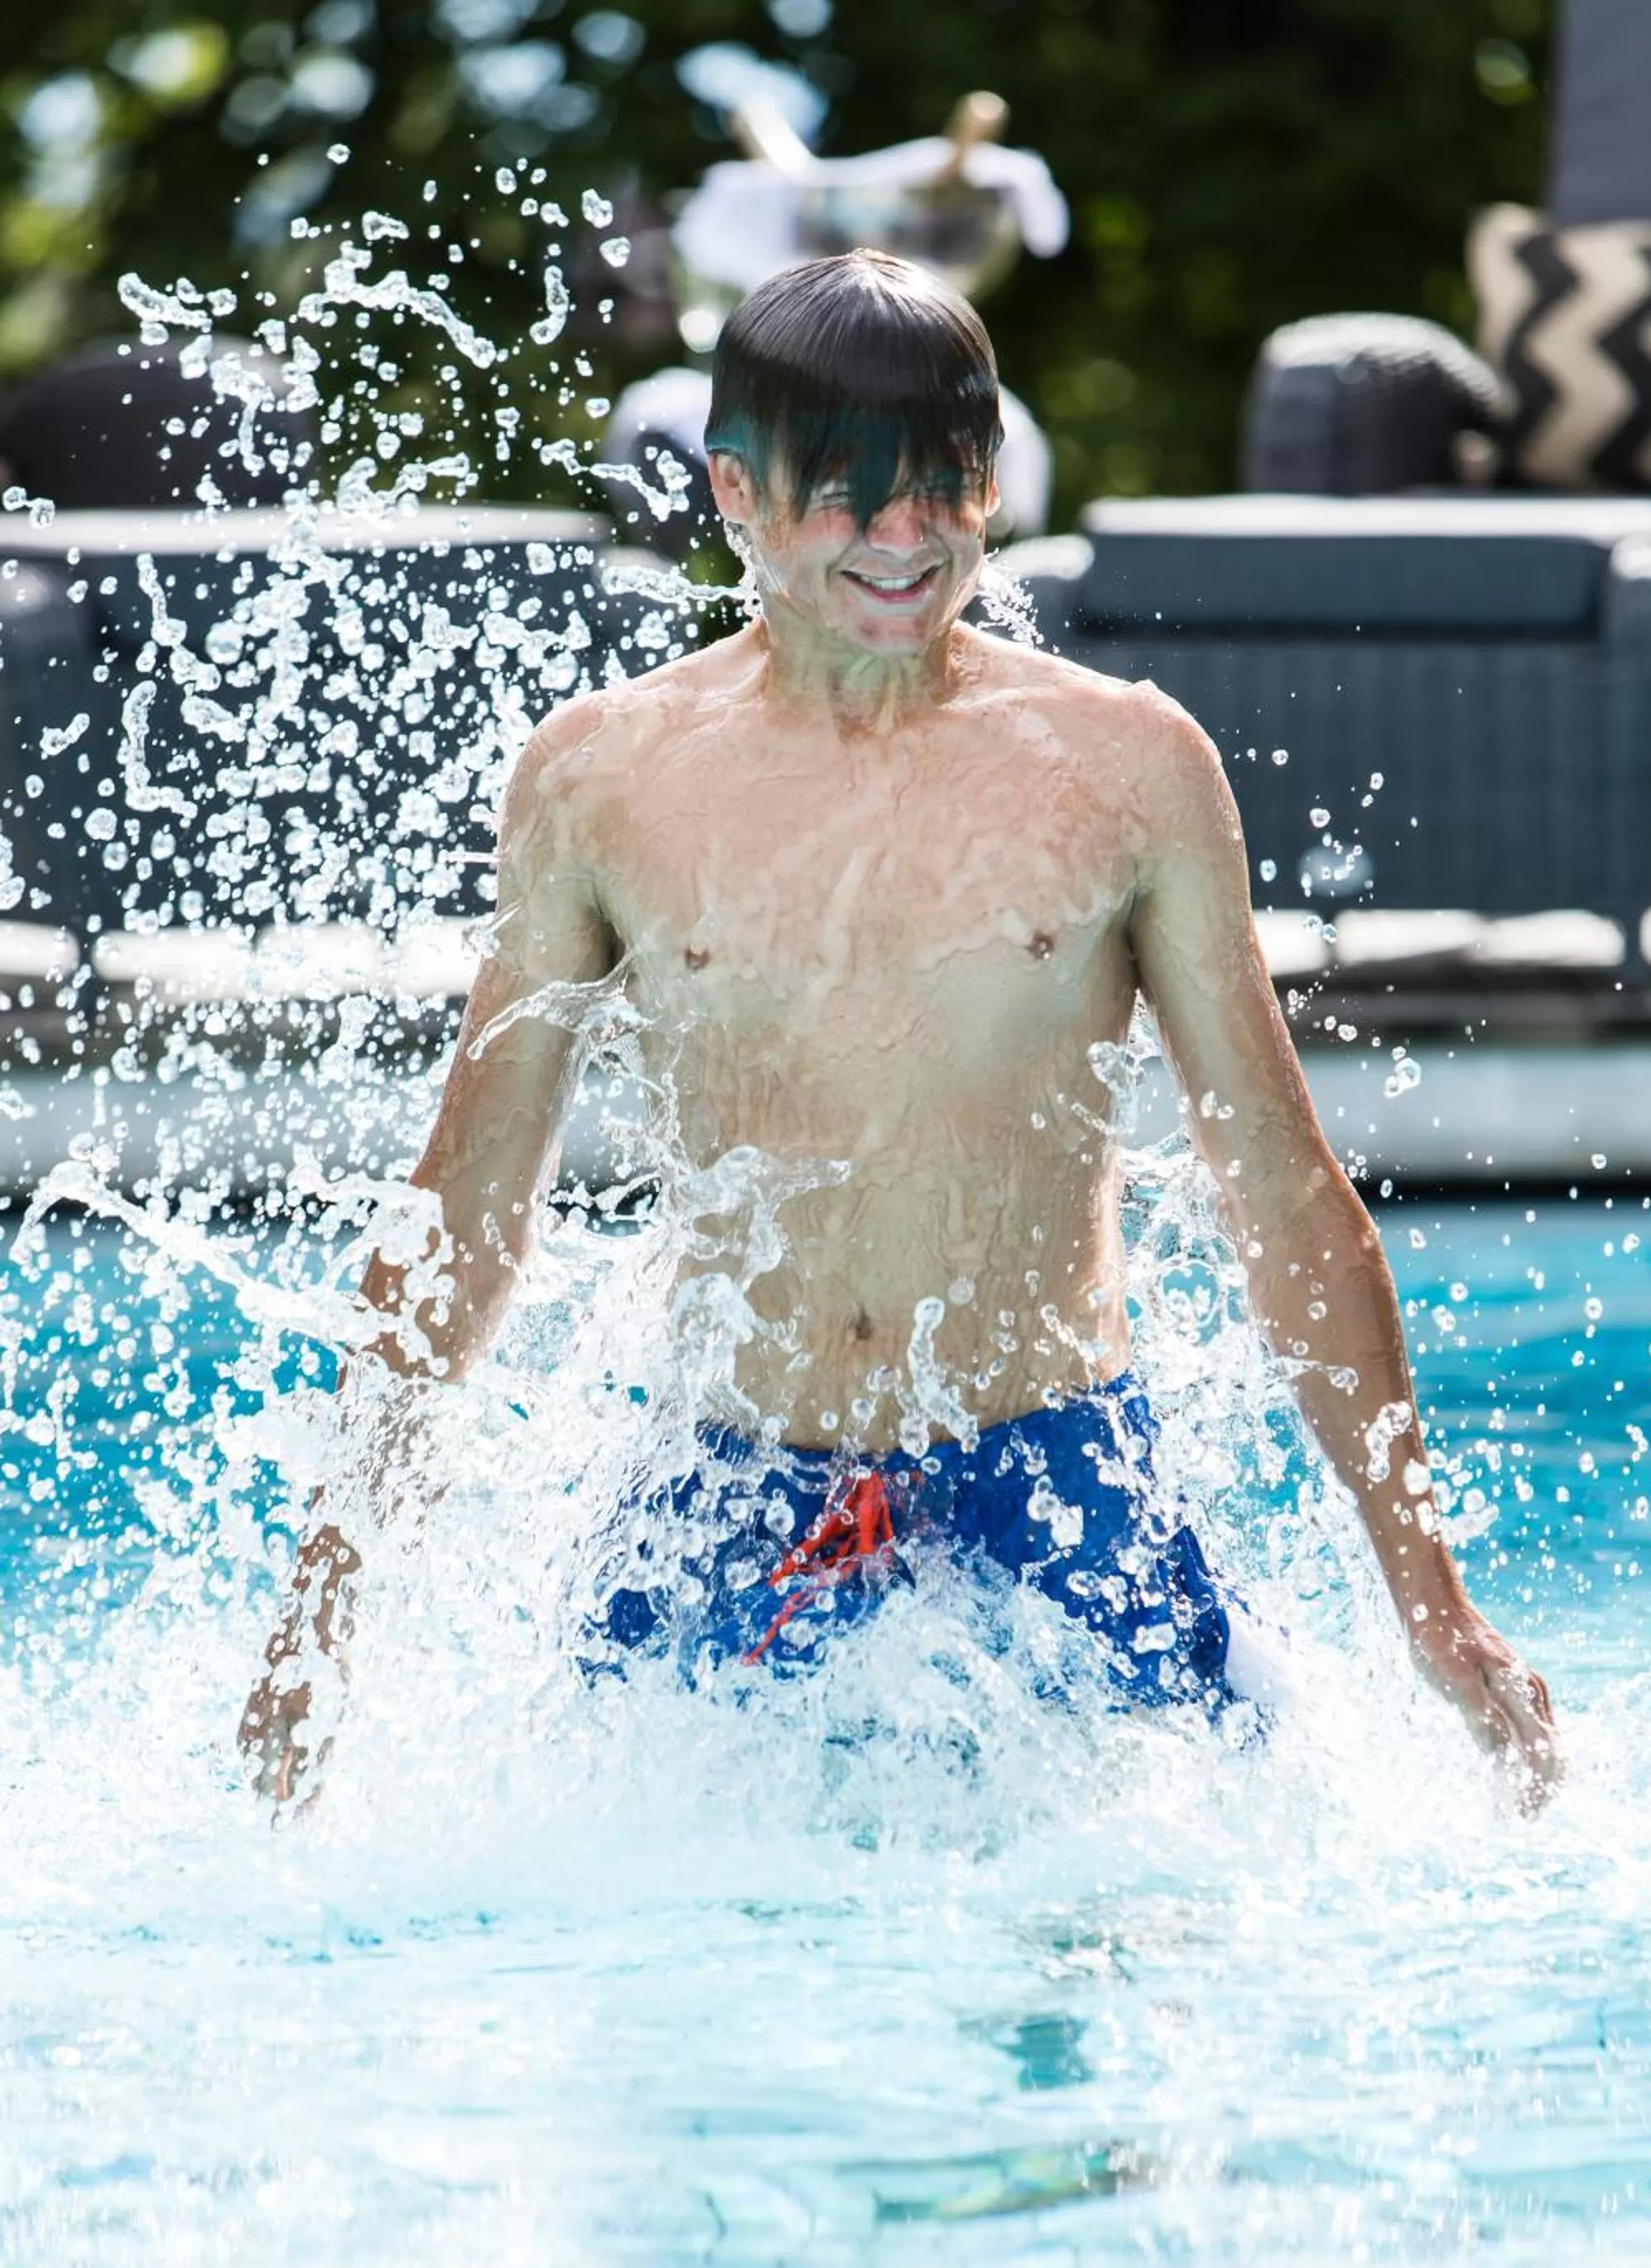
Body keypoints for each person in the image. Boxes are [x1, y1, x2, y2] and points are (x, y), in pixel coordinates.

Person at [240, 249, 1558, 1805]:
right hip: (728, 1485)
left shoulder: (1126, 765)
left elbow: (1278, 1186)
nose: (904, 537)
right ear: (734, 489)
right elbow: (469, 1198)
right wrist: (326, 1593)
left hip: (1055, 1478)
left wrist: (1431, 1592)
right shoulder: (604, 779)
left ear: (991, 477)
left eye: (945, 483)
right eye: (846, 495)